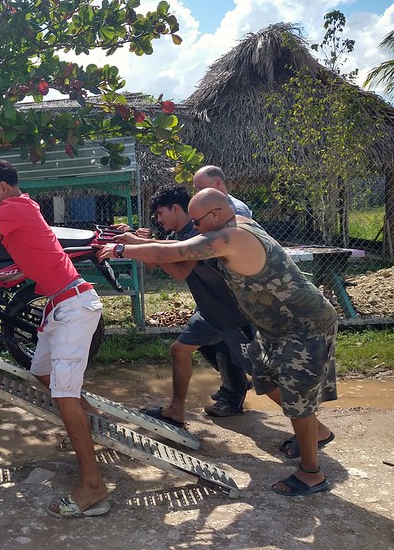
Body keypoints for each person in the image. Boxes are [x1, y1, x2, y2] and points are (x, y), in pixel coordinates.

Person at [98, 188, 338, 497]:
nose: (193, 227)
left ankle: (312, 474)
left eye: (196, 222)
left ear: (215, 214)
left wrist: (120, 251)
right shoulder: (228, 226)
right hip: (276, 326)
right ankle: (318, 434)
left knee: (296, 397)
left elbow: (171, 255)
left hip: (304, 324)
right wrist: (135, 240)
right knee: (269, 380)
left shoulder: (231, 236)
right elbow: (175, 247)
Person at [0, 159, 109, 518]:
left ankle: (93, 487)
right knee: (41, 373)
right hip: (58, 305)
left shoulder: (12, 209)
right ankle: (98, 430)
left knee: (64, 395)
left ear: (5, 187)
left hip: (75, 306)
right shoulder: (15, 203)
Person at [114, 184, 252, 425]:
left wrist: (138, 245)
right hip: (209, 311)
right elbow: (155, 262)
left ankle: (307, 424)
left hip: (232, 311)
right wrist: (144, 243)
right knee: (180, 350)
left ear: (176, 208)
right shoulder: (176, 235)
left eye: (160, 213)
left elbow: (179, 271)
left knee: (265, 376)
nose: (158, 219)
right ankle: (176, 410)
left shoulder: (196, 233)